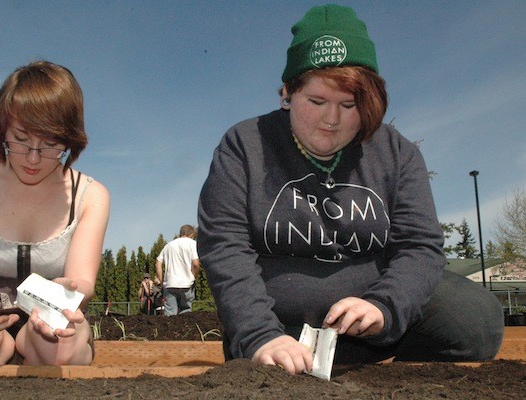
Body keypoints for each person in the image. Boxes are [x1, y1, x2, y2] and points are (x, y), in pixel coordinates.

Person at [197, 4, 504, 374]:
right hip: (278, 331)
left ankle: (381, 375)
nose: (331, 119)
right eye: (316, 101)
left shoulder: (397, 153)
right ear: (287, 93)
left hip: (372, 329)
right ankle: (282, 358)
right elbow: (224, 246)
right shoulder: (243, 145)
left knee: (476, 318)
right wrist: (259, 334)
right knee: (268, 351)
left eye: (349, 104)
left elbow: (419, 246)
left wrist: (384, 305)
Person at [0, 60, 111, 366]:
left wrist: (69, 293)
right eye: (20, 139)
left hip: (53, 323)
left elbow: (83, 280)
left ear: (70, 140)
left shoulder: (91, 195)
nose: (32, 158)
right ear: (2, 128)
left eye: (51, 144)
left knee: (60, 351)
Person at [155, 225, 201, 316]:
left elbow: (158, 263)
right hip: (187, 284)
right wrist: (192, 276)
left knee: (170, 314)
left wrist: (161, 281)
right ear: (191, 234)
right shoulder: (192, 244)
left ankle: (169, 330)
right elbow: (196, 264)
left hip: (170, 284)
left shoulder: (168, 245)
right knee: (186, 312)